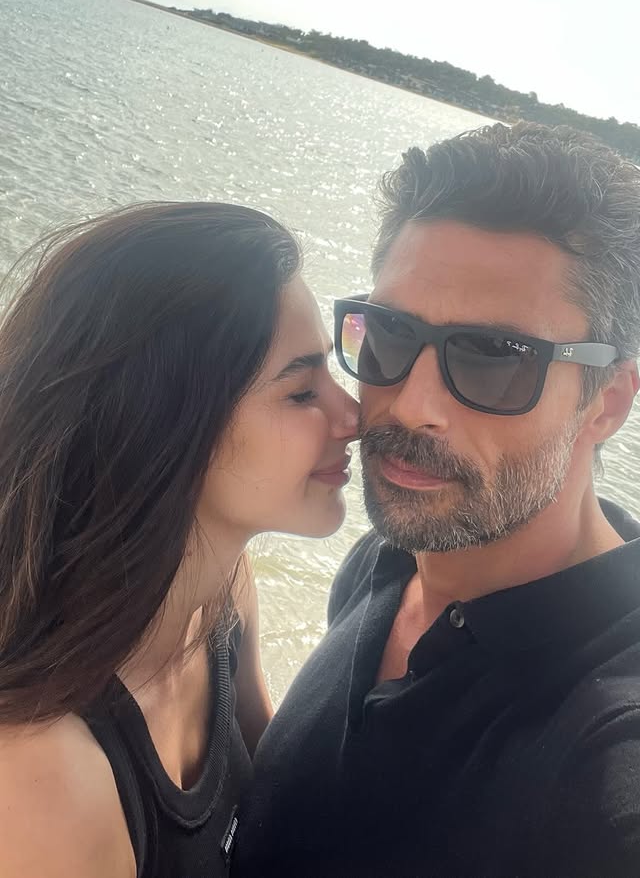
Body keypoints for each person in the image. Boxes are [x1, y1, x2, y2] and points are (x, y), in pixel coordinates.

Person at [235, 122, 640, 878]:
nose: (411, 405)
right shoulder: (389, 562)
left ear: (607, 402)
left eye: (493, 357)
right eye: (390, 333)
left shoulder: (606, 746)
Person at [0, 201, 358, 878]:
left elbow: (275, 809)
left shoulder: (223, 596)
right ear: (169, 423)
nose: (353, 416)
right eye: (301, 391)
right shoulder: (46, 782)